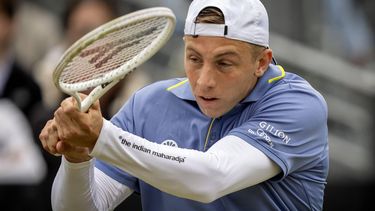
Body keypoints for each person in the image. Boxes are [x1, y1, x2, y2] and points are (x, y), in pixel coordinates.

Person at [39, 0, 329, 210]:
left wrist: (100, 137)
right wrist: (77, 157)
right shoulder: (149, 104)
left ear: (261, 63)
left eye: (224, 63)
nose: (203, 81)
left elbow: (211, 178)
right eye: (194, 59)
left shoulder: (299, 105)